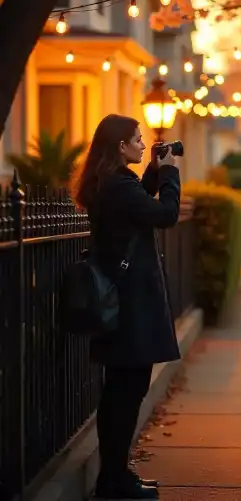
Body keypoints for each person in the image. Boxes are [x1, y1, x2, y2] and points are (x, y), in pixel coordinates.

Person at [75, 114, 181, 500]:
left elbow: (139, 206)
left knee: (124, 390)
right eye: (137, 139)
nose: (141, 143)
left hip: (125, 301)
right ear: (120, 146)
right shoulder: (117, 186)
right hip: (129, 305)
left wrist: (153, 171)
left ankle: (115, 476)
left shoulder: (114, 183)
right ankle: (114, 481)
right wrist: (169, 174)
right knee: (125, 391)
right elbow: (165, 215)